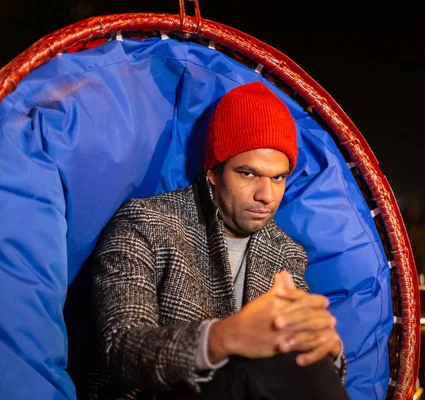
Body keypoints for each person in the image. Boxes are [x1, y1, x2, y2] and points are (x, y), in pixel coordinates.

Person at [86, 82, 350, 399]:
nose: (266, 196)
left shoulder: (286, 252)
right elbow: (121, 347)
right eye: (248, 174)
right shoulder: (146, 223)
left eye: (278, 177)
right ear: (213, 171)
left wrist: (328, 350)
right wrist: (221, 338)